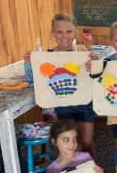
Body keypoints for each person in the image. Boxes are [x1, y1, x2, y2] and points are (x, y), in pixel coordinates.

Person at [25, 13, 96, 157]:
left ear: (75, 32)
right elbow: (34, 81)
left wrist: (94, 66)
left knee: (86, 144)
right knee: (67, 147)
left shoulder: (82, 53)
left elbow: (95, 78)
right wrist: (29, 65)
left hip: (83, 104)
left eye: (69, 31)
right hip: (60, 107)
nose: (65, 36)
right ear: (52, 34)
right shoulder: (45, 57)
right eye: (59, 32)